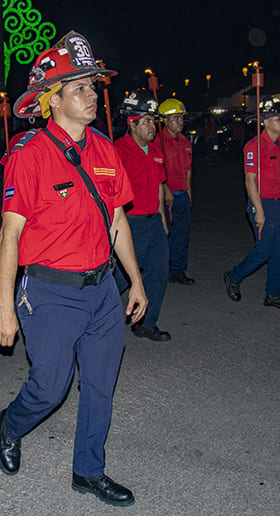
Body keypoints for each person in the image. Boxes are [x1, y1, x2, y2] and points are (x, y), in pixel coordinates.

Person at [0, 31, 147, 507]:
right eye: (79, 87)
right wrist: (5, 308)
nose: (92, 95)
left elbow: (117, 218)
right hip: (50, 292)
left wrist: (135, 281)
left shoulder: (105, 149)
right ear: (51, 100)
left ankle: (88, 471)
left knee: (101, 388)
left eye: (93, 85)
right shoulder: (28, 154)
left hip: (102, 290)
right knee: (50, 388)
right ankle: (10, 424)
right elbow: (10, 236)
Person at [224, 96, 280, 311]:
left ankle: (273, 294)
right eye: (277, 118)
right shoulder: (254, 146)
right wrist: (258, 211)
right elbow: (249, 181)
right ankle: (234, 276)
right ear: (264, 121)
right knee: (264, 250)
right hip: (263, 201)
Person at [114, 89, 172, 342]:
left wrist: (163, 221)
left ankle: (146, 323)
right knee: (119, 277)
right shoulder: (117, 151)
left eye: (153, 121)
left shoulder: (156, 150)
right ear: (132, 123)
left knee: (158, 272)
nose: (152, 126)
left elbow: (159, 186)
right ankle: (91, 315)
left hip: (154, 223)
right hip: (130, 224)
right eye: (146, 121)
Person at [158, 98, 195, 285]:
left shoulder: (186, 143)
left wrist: (189, 195)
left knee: (182, 236)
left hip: (181, 195)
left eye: (181, 118)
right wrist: (165, 189)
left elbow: (188, 171)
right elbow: (156, 170)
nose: (180, 122)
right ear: (165, 120)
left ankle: (178, 271)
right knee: (165, 235)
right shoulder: (158, 142)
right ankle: (162, 270)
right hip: (165, 197)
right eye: (175, 118)